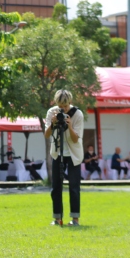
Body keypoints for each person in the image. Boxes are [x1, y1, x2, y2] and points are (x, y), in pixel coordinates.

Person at [43, 89, 84, 226]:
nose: (63, 110)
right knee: (56, 187)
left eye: (65, 106)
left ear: (70, 103)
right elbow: (47, 135)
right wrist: (53, 123)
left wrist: (70, 125)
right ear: (56, 104)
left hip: (73, 155)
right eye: (60, 107)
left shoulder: (77, 114)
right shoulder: (51, 112)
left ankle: (75, 219)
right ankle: (57, 218)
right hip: (57, 153)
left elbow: (75, 139)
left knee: (74, 187)